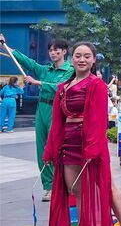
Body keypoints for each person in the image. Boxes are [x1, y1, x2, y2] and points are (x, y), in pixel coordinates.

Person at [43, 42, 121, 226]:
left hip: (91, 145)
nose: (82, 59)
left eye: (87, 56)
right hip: (69, 144)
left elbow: (97, 120)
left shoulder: (96, 84)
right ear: (72, 59)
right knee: (73, 191)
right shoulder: (63, 87)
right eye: (78, 55)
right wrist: (50, 150)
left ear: (94, 60)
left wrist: (92, 148)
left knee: (107, 188)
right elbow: (57, 123)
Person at [0, 34, 74, 201]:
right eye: (50, 50)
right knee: (42, 149)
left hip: (57, 110)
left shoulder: (70, 70)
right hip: (42, 109)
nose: (53, 53)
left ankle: (62, 184)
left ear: (64, 52)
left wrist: (37, 83)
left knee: (56, 147)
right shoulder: (46, 70)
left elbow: (61, 88)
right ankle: (48, 186)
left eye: (56, 50)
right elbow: (27, 62)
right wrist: (5, 46)